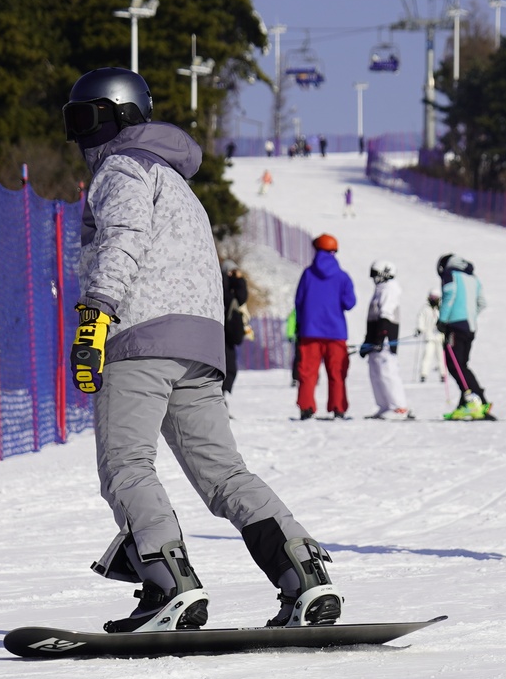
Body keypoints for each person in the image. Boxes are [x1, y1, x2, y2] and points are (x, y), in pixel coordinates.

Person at [63, 68, 341, 633]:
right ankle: (301, 575)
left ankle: (167, 583)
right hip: (198, 343)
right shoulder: (175, 181)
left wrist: (97, 312)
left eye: (86, 119)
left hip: (138, 335)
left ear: (119, 117)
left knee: (126, 465)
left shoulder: (122, 168)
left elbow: (124, 239)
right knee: (223, 472)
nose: (80, 136)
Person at [293, 233, 356, 419]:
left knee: (308, 372)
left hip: (309, 332)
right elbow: (350, 303)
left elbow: (298, 302)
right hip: (336, 333)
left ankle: (306, 407)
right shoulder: (342, 277)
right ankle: (338, 408)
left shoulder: (307, 274)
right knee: (337, 372)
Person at [437, 253, 492, 419]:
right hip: (470, 327)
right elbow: (482, 302)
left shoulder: (451, 275)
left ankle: (475, 400)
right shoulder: (473, 278)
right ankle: (469, 401)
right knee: (462, 364)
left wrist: (443, 320)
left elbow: (449, 296)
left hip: (455, 325)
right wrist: (470, 315)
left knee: (454, 365)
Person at [361, 260, 410, 419]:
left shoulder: (390, 289)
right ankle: (384, 405)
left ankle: (398, 407)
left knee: (387, 372)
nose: (374, 279)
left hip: (385, 340)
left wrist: (380, 337)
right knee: (376, 373)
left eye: (376, 275)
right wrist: (367, 342)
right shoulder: (380, 289)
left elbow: (386, 314)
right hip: (376, 339)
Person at [221, 260, 250, 395]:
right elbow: (226, 298)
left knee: (230, 367)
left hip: (230, 334)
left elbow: (241, 297)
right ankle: (219, 398)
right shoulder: (220, 283)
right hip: (220, 332)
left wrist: (239, 280)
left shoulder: (235, 286)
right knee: (223, 367)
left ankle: (223, 396)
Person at [414, 290, 447, 383]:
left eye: (435, 298)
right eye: (432, 297)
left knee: (441, 357)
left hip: (440, 338)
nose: (434, 299)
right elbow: (420, 318)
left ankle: (443, 374)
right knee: (427, 356)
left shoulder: (442, 309)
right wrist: (420, 328)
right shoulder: (425, 309)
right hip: (429, 337)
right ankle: (423, 374)